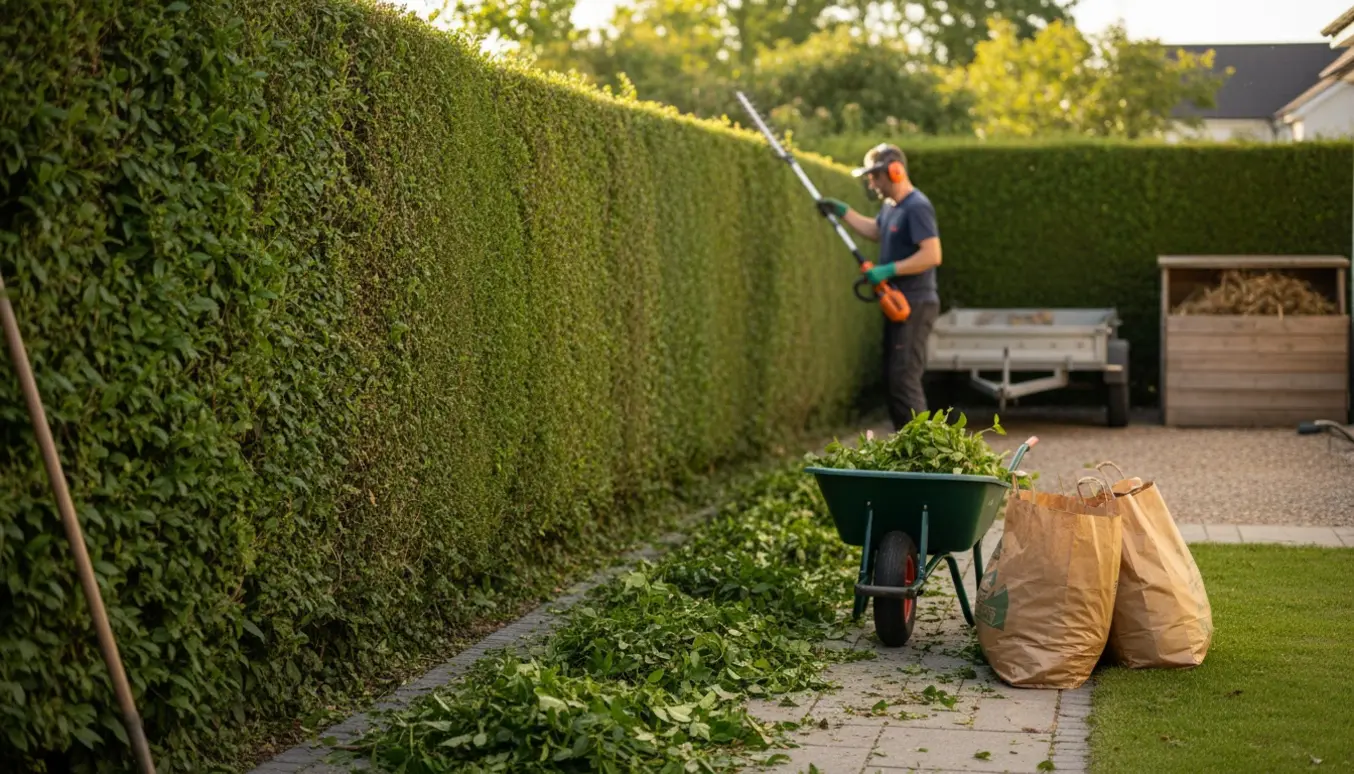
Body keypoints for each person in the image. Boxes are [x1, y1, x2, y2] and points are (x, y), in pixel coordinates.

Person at [816, 143, 942, 431]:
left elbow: (932, 254)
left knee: (904, 378)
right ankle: (907, 447)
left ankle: (923, 452)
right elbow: (876, 230)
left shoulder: (917, 207)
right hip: (897, 301)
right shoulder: (891, 208)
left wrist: (889, 269)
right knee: (893, 378)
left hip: (916, 303)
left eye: (875, 176)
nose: (871, 183)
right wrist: (844, 213)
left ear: (895, 172)